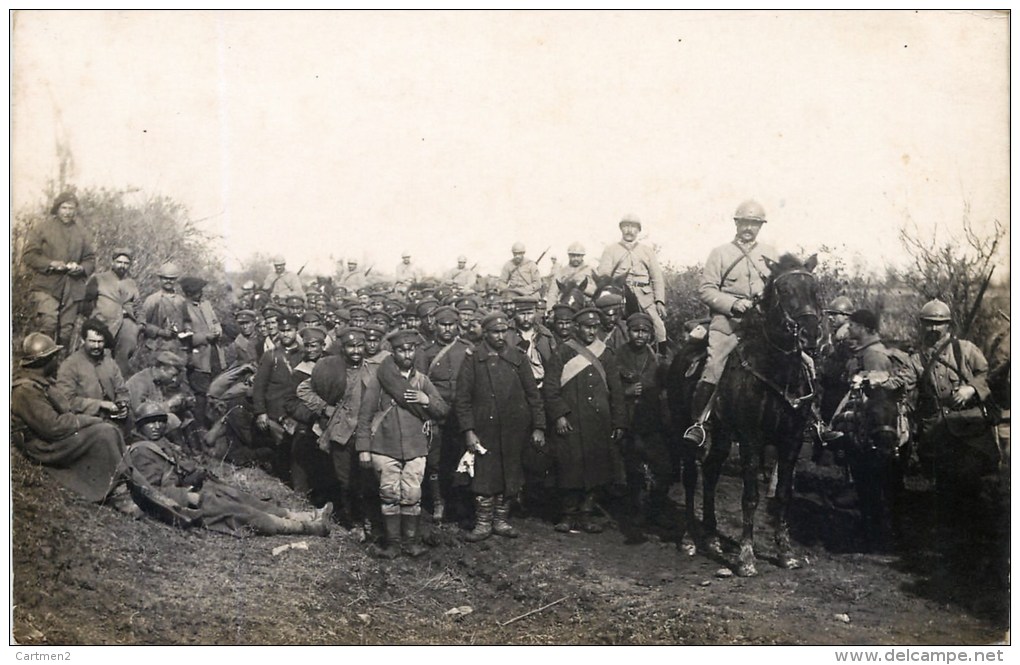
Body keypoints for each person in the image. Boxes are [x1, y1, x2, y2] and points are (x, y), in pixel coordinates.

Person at [882, 299, 1000, 560]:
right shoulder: (917, 359)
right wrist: (876, 381)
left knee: (975, 487)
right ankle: (954, 551)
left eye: (939, 324)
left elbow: (987, 375)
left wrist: (972, 389)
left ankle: (986, 549)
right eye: (929, 324)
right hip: (938, 433)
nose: (934, 329)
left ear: (948, 325)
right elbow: (902, 383)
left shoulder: (965, 350)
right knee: (946, 490)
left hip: (970, 429)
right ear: (922, 325)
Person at [124, 402, 331, 537]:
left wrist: (193, 473)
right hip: (184, 502)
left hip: (197, 488)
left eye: (160, 421)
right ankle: (306, 528)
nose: (157, 427)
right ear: (139, 426)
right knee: (243, 513)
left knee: (243, 498)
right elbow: (150, 491)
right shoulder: (141, 452)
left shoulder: (162, 443)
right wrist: (187, 496)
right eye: (150, 423)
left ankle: (302, 515)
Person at [684, 200, 777, 447]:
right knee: (714, 364)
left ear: (760, 226)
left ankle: (814, 421)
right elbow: (706, 290)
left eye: (755, 223)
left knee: (796, 362)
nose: (749, 228)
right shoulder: (720, 253)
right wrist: (733, 304)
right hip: (727, 323)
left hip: (761, 327)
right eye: (745, 222)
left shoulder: (771, 254)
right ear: (736, 223)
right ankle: (699, 422)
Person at [12, 333, 134, 512]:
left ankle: (123, 481)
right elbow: (53, 427)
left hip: (53, 437)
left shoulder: (42, 383)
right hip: (42, 446)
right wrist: (90, 420)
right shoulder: (25, 390)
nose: (57, 361)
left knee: (108, 430)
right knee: (103, 433)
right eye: (53, 357)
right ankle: (115, 490)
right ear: (44, 361)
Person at [356, 329, 449, 558]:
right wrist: (364, 448)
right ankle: (393, 544)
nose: (406, 354)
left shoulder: (421, 381)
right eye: (400, 350)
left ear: (415, 351)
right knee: (389, 494)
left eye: (410, 349)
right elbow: (365, 415)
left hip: (416, 447)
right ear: (393, 351)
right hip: (384, 446)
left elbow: (443, 410)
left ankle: (411, 542)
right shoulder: (381, 379)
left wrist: (425, 400)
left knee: (412, 494)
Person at [455, 312, 546, 542]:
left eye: (503, 331)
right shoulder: (474, 358)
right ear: (485, 333)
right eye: (495, 332)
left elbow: (533, 394)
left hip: (514, 428)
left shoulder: (517, 356)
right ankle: (484, 522)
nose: (500, 336)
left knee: (511, 472)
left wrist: (539, 426)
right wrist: (468, 430)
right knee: (484, 475)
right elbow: (463, 398)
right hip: (484, 427)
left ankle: (501, 520)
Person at [542, 307, 626, 534]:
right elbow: (550, 388)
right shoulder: (563, 352)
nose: (591, 331)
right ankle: (568, 515)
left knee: (596, 468)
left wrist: (619, 422)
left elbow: (616, 390)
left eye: (594, 327)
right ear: (577, 328)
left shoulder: (605, 354)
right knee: (569, 466)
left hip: (598, 422)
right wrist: (558, 414)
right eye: (587, 327)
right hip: (570, 421)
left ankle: (586, 514)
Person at [299, 328, 375, 539]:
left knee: (367, 479)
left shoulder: (374, 370)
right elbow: (303, 390)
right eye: (351, 346)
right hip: (341, 433)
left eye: (360, 346)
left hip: (367, 433)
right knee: (346, 481)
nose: (356, 351)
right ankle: (354, 522)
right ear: (343, 348)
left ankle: (369, 519)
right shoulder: (331, 368)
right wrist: (324, 407)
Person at [415, 305, 475, 523]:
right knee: (435, 460)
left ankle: (460, 502)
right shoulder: (425, 351)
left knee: (461, 457)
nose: (447, 329)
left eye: (451, 325)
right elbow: (419, 384)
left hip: (461, 412)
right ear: (435, 325)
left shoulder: (468, 349)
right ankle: (438, 502)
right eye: (443, 324)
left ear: (457, 325)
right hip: (435, 411)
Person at [616, 312, 672, 527]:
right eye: (635, 331)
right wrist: (626, 391)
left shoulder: (656, 360)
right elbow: (606, 388)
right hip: (626, 421)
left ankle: (656, 510)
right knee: (633, 469)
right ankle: (636, 511)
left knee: (663, 467)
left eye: (645, 332)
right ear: (628, 332)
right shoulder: (617, 356)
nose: (640, 335)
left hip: (651, 421)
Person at [21, 192, 97, 349]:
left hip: (72, 287)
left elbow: (90, 259)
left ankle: (60, 369)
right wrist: (51, 264)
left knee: (66, 331)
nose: (68, 212)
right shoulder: (43, 228)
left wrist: (81, 268)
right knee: (48, 323)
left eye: (71, 208)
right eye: (64, 207)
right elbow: (29, 255)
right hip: (47, 285)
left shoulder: (81, 232)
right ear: (57, 208)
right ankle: (42, 365)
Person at [597, 215, 667, 345]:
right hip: (618, 295)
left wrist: (659, 301)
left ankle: (661, 358)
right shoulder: (610, 250)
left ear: (638, 230)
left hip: (644, 298)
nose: (629, 230)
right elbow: (604, 274)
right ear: (621, 229)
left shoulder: (647, 251)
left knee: (659, 328)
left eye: (633, 227)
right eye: (626, 226)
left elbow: (656, 277)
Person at [252, 314, 305, 481]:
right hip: (276, 411)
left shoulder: (304, 355)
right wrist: (261, 412)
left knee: (299, 451)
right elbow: (259, 386)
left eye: (289, 330)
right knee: (281, 450)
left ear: (296, 331)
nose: (286, 334)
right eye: (282, 330)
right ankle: (283, 482)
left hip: (297, 411)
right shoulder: (270, 356)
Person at [53, 318, 131, 423]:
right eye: (92, 341)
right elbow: (66, 401)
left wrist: (123, 404)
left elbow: (121, 390)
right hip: (85, 422)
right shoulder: (70, 365)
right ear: (83, 340)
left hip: (112, 419)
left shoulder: (110, 363)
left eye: (100, 342)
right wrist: (99, 404)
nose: (96, 346)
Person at [83, 247, 140, 376]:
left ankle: (119, 384)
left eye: (126, 263)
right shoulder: (99, 279)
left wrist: (140, 325)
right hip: (104, 323)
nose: (122, 266)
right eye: (119, 262)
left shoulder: (131, 283)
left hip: (126, 324)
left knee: (123, 357)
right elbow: (85, 301)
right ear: (113, 262)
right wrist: (94, 319)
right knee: (99, 354)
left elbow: (138, 306)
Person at [180, 277, 225, 428]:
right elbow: (184, 336)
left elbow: (215, 322)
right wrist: (205, 337)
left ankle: (216, 426)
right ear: (188, 293)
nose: (199, 294)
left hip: (215, 354)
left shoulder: (206, 305)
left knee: (218, 390)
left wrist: (218, 330)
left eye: (200, 291)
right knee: (202, 395)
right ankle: (201, 428)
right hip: (198, 358)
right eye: (196, 292)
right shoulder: (183, 307)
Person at [125, 351, 196, 438]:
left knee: (186, 415)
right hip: (138, 424)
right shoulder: (140, 382)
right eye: (173, 375)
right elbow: (140, 412)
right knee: (172, 419)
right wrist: (169, 404)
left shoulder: (158, 381)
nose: (174, 380)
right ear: (162, 369)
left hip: (152, 421)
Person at [141, 261, 188, 356]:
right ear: (160, 279)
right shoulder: (152, 300)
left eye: (172, 279)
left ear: (176, 280)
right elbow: (142, 324)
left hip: (178, 347)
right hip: (156, 346)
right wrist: (160, 332)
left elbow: (188, 322)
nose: (168, 281)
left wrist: (186, 330)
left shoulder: (182, 301)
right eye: (165, 278)